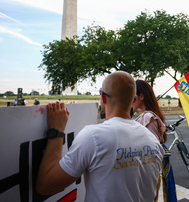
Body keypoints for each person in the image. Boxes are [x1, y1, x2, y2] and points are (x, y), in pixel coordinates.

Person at [36, 71, 164, 201]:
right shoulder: (153, 141)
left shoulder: (93, 137)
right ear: (134, 100)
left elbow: (46, 185)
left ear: (103, 97)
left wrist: (57, 131)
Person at [132, 80, 167, 144]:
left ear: (141, 96)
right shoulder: (147, 115)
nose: (131, 100)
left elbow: (151, 146)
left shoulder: (148, 117)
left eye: (133, 96)